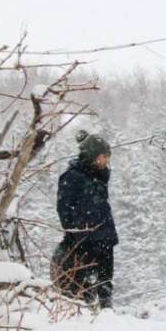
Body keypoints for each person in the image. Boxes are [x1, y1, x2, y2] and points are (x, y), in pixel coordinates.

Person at [54, 130, 117, 309]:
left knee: (105, 277)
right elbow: (64, 209)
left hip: (104, 235)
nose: (106, 161)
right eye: (103, 156)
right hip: (83, 238)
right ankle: (84, 310)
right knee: (84, 278)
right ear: (92, 156)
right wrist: (77, 232)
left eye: (108, 157)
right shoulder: (72, 177)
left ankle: (106, 307)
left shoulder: (98, 176)